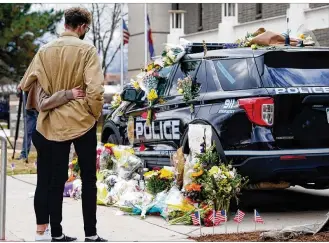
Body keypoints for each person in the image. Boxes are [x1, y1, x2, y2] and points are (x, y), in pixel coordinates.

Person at [20, 7, 105, 242]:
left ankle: (55, 233)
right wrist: (93, 113)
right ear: (82, 27)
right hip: (82, 122)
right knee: (89, 178)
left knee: (56, 180)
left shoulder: (44, 50)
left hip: (52, 123)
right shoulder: (87, 49)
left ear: (66, 23)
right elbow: (96, 89)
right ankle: (91, 233)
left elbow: (26, 82)